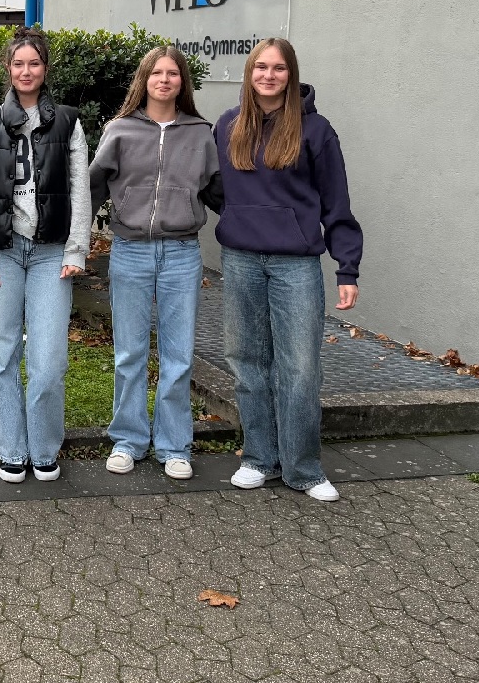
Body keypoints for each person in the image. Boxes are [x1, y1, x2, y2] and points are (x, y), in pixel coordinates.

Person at [215, 37, 361, 502]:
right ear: (249, 73)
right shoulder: (228, 125)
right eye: (261, 67)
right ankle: (259, 458)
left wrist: (347, 268)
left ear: (291, 74)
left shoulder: (315, 131)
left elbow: (337, 202)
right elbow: (214, 187)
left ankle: (304, 468)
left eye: (278, 68)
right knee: (247, 363)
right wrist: (242, 217)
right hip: (240, 260)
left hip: (296, 264)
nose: (269, 75)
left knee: (299, 369)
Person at [0, 28, 91, 483]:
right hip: (3, 252)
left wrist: (78, 246)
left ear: (45, 69)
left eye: (34, 63)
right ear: (8, 69)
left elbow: (80, 188)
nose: (26, 71)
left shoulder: (70, 122)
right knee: (1, 351)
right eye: (18, 64)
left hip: (52, 252)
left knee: (49, 359)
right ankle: (11, 449)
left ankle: (44, 446)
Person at [89, 46, 223, 480]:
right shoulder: (121, 129)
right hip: (129, 250)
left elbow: (218, 191)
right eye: (156, 73)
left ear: (183, 82)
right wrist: (75, 241)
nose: (164, 80)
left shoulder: (201, 133)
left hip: (182, 254)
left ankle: (174, 445)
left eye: (173, 74)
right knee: (129, 353)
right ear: (144, 80)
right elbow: (92, 187)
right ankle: (128, 440)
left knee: (178, 355)